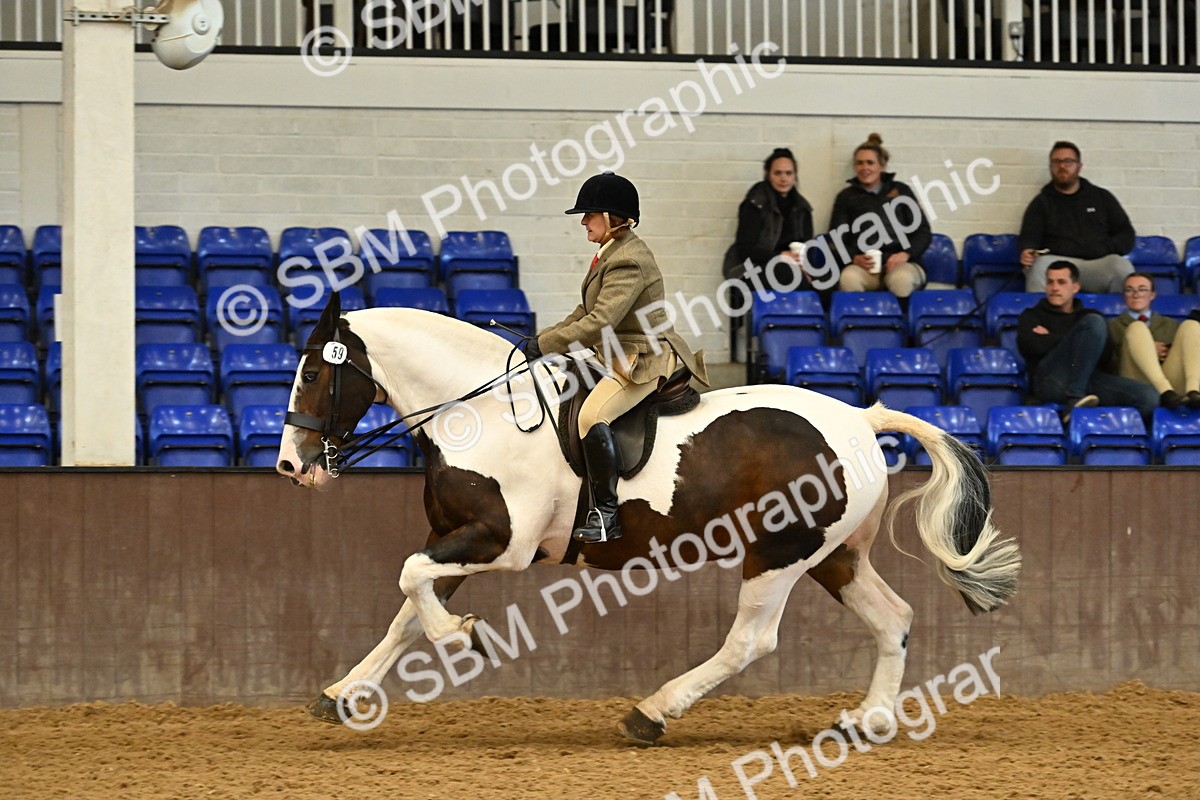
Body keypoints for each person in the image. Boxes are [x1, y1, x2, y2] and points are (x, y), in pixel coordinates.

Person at [523, 172, 709, 544]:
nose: (582, 222)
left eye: (589, 214)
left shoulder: (630, 261)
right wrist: (542, 339)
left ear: (609, 217)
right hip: (614, 352)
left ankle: (607, 514)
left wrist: (547, 346)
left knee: (593, 415)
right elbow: (584, 310)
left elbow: (600, 322)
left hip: (643, 357)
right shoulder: (609, 254)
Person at [1017, 261, 1158, 423]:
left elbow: (1105, 355)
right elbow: (1030, 346)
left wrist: (1051, 337)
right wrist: (1080, 339)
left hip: (1087, 379)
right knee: (1094, 323)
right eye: (1050, 282)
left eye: (1061, 282)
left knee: (1149, 397)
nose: (1054, 288)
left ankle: (1100, 434)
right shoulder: (1031, 315)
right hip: (1051, 380)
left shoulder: (1089, 316)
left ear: (1075, 287)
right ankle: (1075, 397)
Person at [722, 147, 815, 360]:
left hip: (789, 267)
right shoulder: (755, 203)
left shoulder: (801, 207)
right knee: (786, 273)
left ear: (795, 175)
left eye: (788, 173)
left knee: (826, 281)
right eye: (778, 173)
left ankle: (805, 348)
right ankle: (783, 349)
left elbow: (807, 245)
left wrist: (805, 266)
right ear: (767, 173)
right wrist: (780, 257)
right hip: (749, 268)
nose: (784, 178)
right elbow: (745, 249)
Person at [1018, 140, 1136, 293]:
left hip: (1097, 265)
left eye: (1068, 161)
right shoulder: (1041, 203)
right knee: (1039, 266)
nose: (1062, 166)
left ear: (1079, 166)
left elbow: (1125, 233)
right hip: (1058, 266)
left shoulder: (1102, 197)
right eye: (1056, 162)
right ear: (1050, 167)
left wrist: (1104, 248)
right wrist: (1027, 251)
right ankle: (1040, 317)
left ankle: (1122, 318)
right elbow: (1029, 237)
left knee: (1120, 266)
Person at [831, 133, 930, 300]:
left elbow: (923, 231)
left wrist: (905, 254)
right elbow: (835, 239)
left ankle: (899, 325)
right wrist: (854, 258)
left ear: (882, 166)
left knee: (901, 280)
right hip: (865, 267)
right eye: (860, 163)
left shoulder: (902, 191)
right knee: (848, 279)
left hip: (901, 264)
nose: (864, 168)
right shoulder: (845, 197)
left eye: (870, 162)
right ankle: (858, 325)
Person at [1107, 272, 1200, 409]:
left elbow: (1182, 355)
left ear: (1152, 295)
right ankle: (1165, 392)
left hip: (1170, 382)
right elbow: (1109, 364)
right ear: (1124, 296)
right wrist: (1146, 350)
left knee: (1192, 325)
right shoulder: (1111, 325)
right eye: (1129, 290)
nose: (1136, 294)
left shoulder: (1170, 324)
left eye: (1142, 289)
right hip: (1134, 381)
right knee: (1137, 327)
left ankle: (1193, 391)